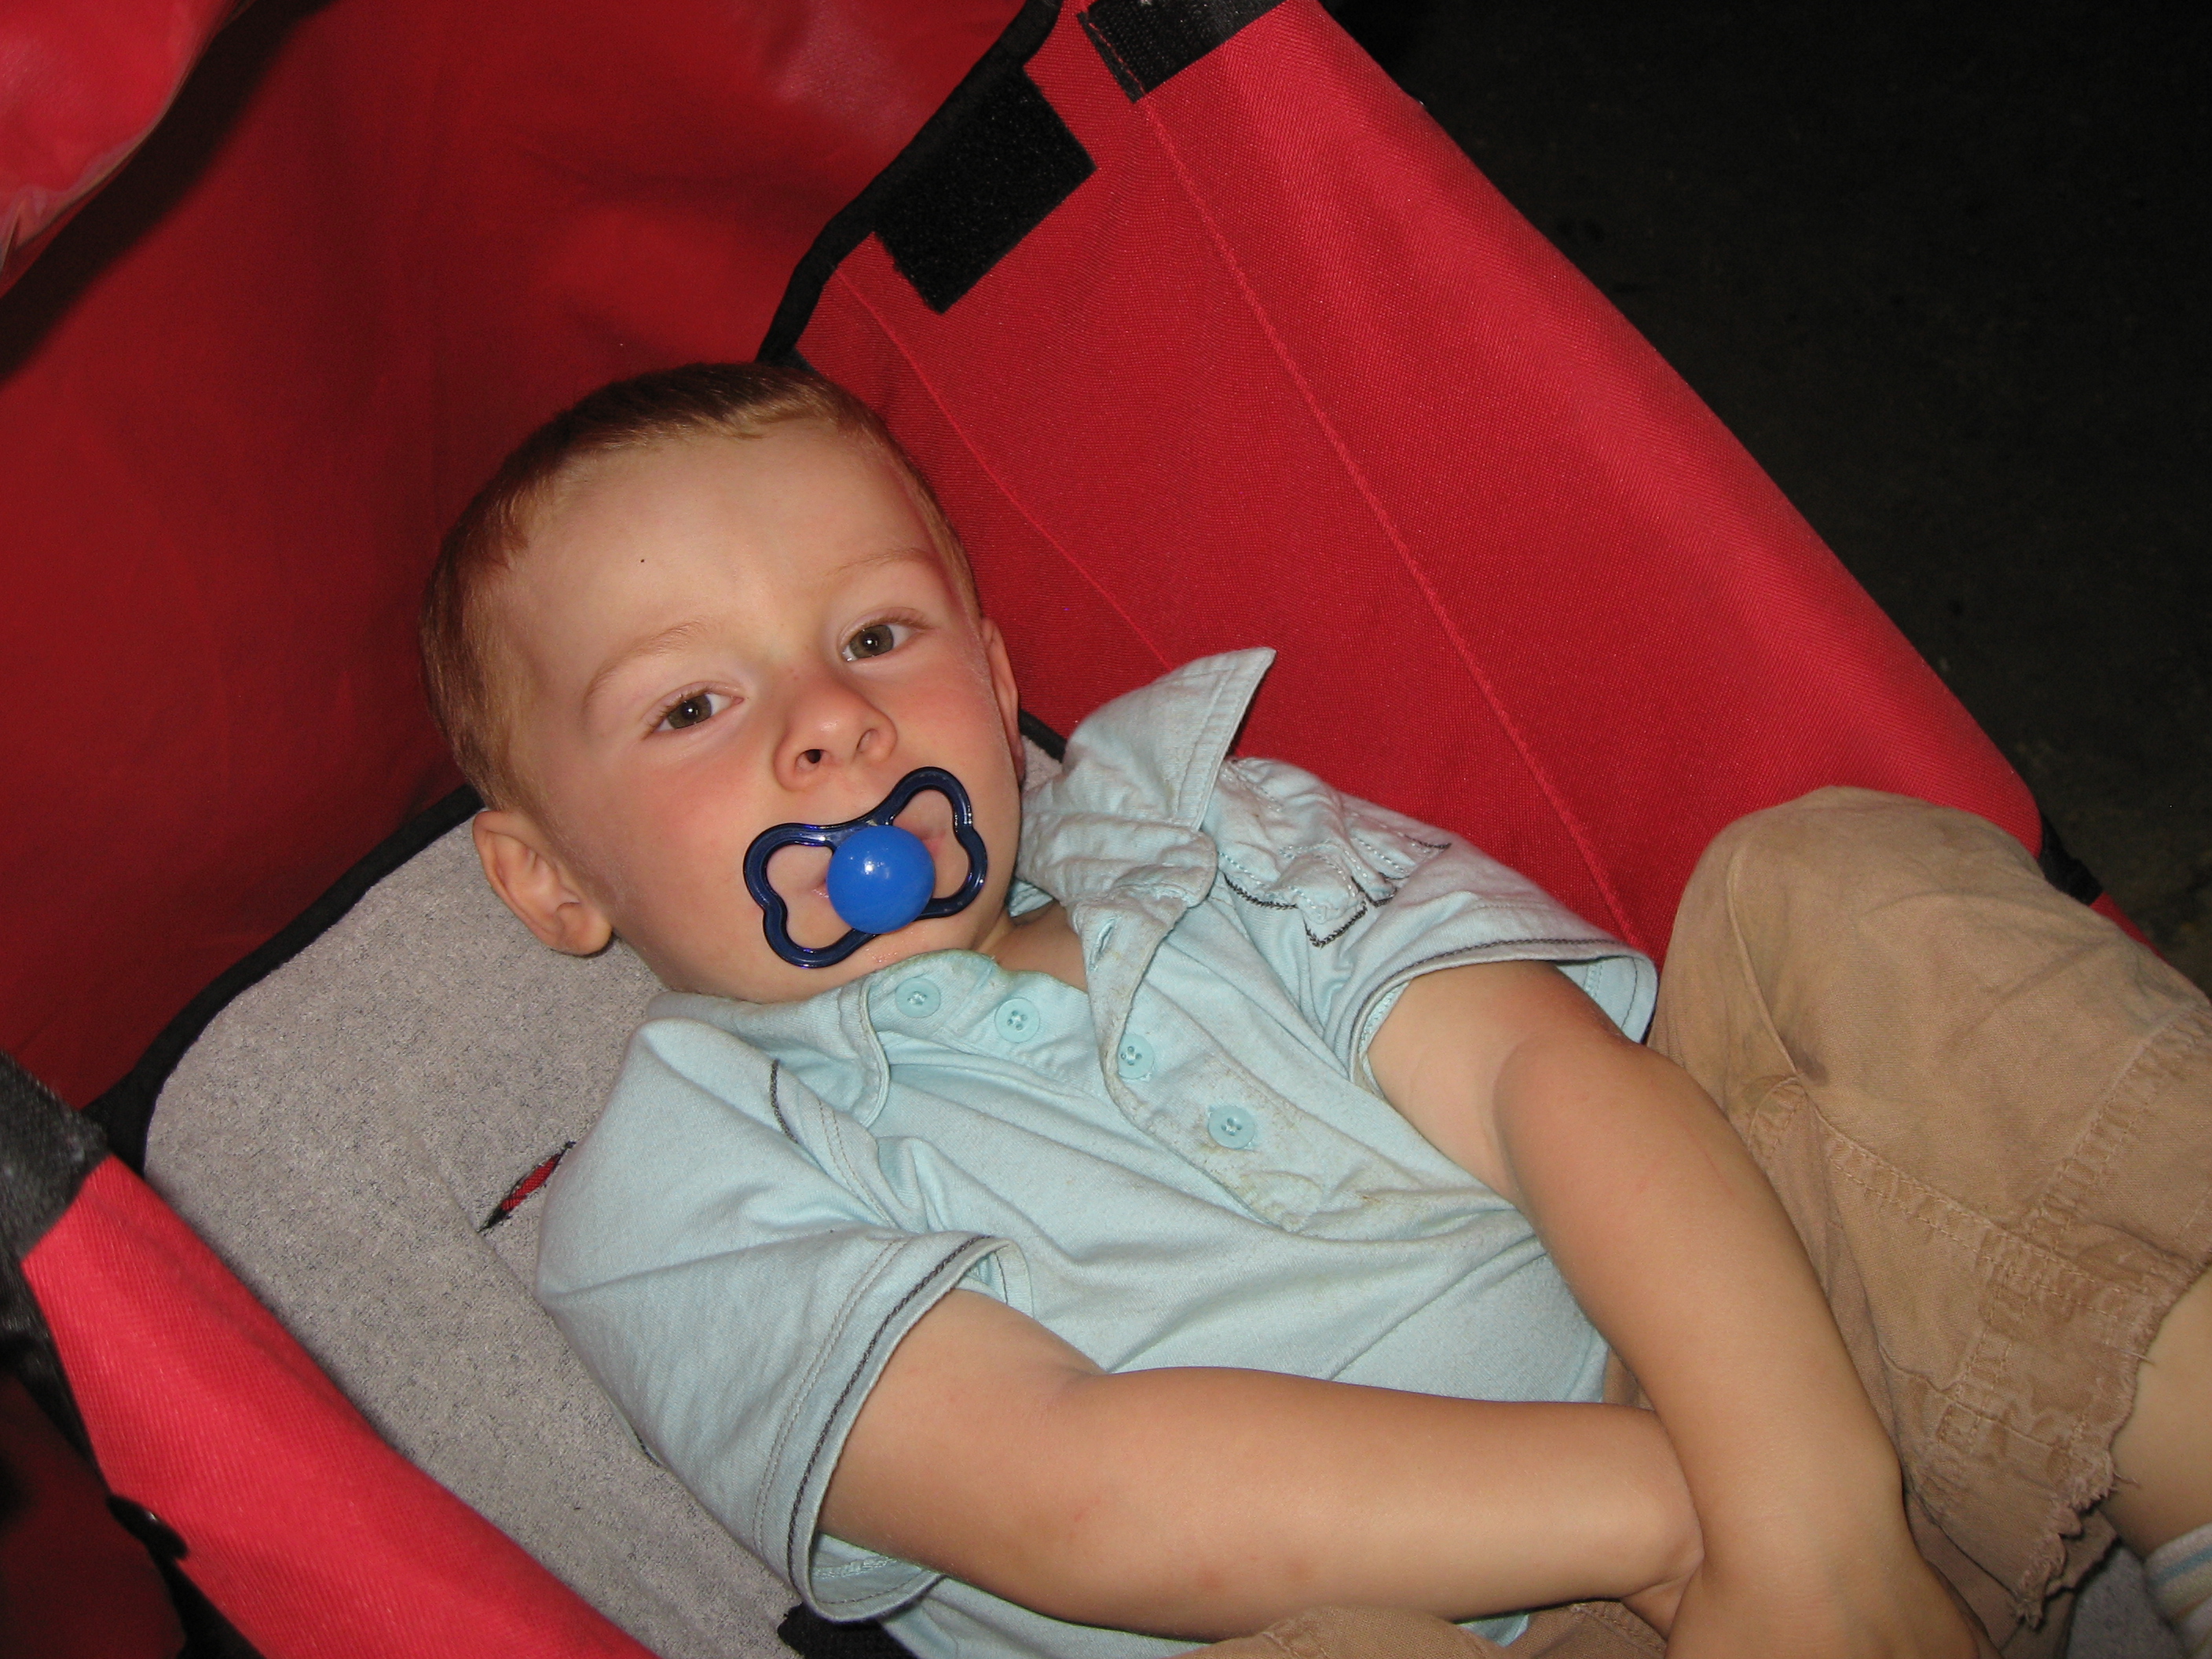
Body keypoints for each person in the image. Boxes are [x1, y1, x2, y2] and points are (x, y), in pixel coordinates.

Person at [418, 361, 2212, 1659]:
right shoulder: (684, 1187)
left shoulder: (1210, 830)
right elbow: (1075, 1490)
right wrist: (1695, 1511)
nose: (830, 722)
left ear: (999, 683)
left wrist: (1804, 1493)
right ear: (549, 879)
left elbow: (1543, 1081)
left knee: (1819, 889)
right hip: (1425, 1607)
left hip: (1798, 1387)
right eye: (692, 708)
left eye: (877, 635)